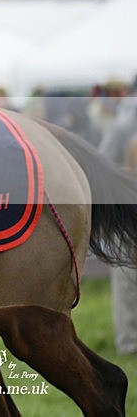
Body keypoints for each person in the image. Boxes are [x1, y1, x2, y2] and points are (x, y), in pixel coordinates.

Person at [99, 77, 137, 355]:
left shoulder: (123, 122)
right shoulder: (124, 125)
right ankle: (130, 344)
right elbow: (103, 164)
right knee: (127, 276)